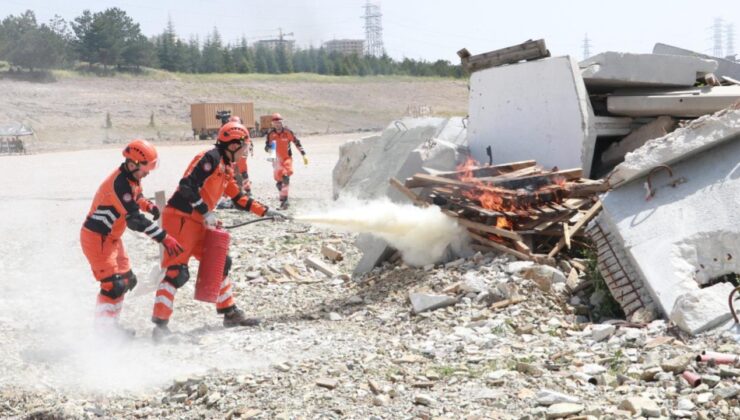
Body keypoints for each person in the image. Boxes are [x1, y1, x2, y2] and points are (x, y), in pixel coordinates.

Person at [151, 121, 287, 341]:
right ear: (233, 145)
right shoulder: (210, 158)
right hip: (180, 219)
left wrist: (266, 211)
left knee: (220, 261)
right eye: (243, 146)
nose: (245, 152)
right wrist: (206, 212)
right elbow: (187, 186)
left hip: (199, 221)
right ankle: (160, 327)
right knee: (177, 272)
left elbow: (239, 198)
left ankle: (229, 313)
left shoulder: (226, 167)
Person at [80, 139, 183, 336]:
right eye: (146, 168)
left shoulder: (132, 179)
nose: (148, 173)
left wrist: (148, 206)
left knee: (127, 280)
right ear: (133, 163)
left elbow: (136, 197)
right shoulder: (118, 184)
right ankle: (104, 333)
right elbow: (134, 220)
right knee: (113, 284)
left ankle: (111, 326)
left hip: (112, 239)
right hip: (97, 238)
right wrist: (164, 238)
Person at [264, 113, 307, 209]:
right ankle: (283, 199)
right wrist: (269, 149)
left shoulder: (287, 132)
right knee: (279, 182)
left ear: (282, 122)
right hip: (276, 160)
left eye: (279, 122)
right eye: (275, 123)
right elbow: (266, 147)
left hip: (287, 158)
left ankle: (285, 201)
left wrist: (303, 154)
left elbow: (297, 142)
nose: (278, 124)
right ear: (272, 124)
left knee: (286, 177)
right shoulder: (270, 134)